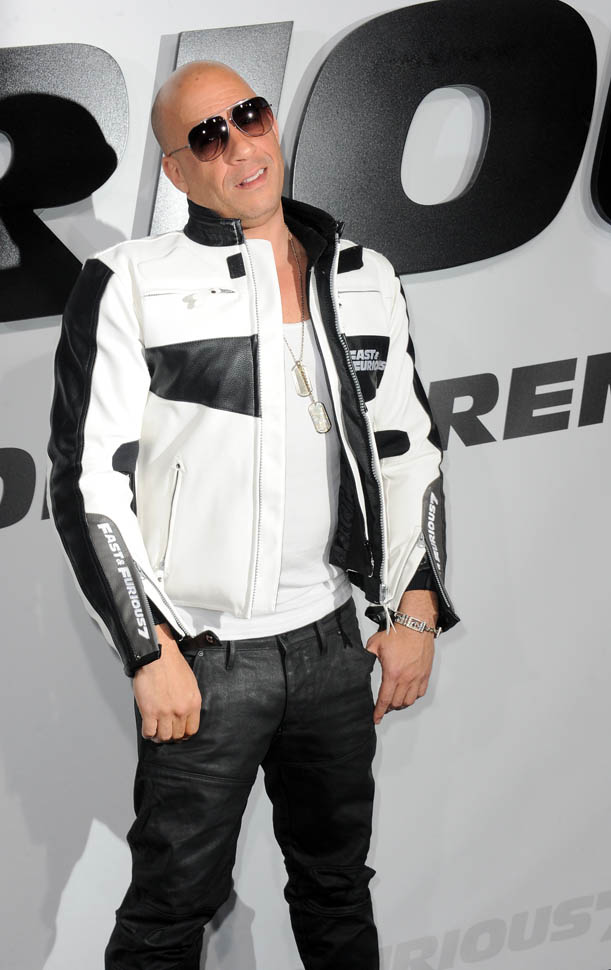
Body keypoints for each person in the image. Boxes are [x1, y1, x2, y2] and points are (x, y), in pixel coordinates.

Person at [48, 60, 459, 970]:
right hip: (205, 656)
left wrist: (416, 610)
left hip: (332, 646)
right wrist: (147, 650)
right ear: (175, 169)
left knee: (336, 887)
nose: (239, 144)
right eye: (208, 135)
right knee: (169, 912)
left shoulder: (362, 274)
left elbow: (408, 451)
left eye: (249, 115)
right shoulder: (127, 281)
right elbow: (85, 485)